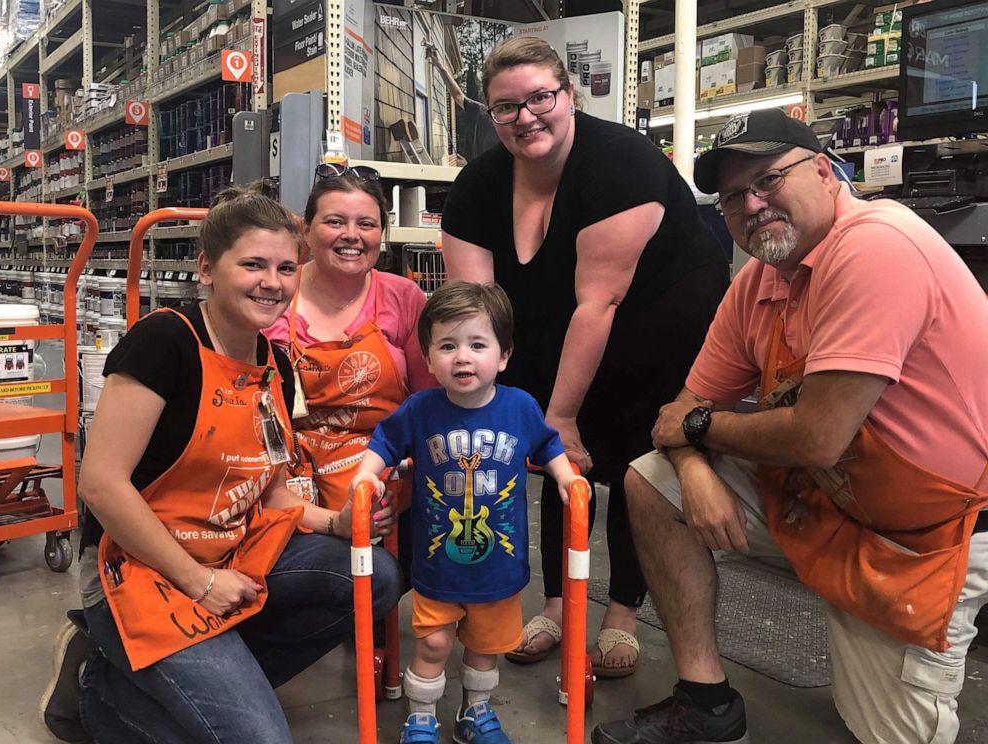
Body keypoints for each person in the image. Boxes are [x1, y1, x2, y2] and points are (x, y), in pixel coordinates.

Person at [592, 108, 988, 744]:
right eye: (731, 197)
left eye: (769, 179)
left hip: (925, 535)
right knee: (654, 480)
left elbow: (815, 436)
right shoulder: (759, 281)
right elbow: (678, 414)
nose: (751, 204)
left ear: (828, 173)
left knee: (888, 735)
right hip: (828, 497)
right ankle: (704, 706)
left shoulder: (875, 246)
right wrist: (693, 464)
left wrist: (699, 428)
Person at [41, 182, 401, 744]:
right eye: (253, 264)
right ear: (208, 269)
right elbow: (102, 485)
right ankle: (96, 690)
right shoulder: (165, 342)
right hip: (140, 568)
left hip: (231, 548)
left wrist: (336, 524)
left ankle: (198, 678)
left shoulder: (275, 361)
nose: (273, 282)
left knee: (372, 577)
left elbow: (274, 488)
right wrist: (200, 581)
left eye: (286, 268)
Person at [441, 36, 729, 677]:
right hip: (555, 315)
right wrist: (502, 409)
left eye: (541, 97)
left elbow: (599, 303)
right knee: (544, 436)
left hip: (660, 314)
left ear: (569, 95)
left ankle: (622, 612)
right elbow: (473, 310)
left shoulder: (621, 161)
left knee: (628, 454)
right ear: (492, 115)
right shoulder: (479, 185)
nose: (526, 116)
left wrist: (564, 417)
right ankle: (556, 602)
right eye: (507, 106)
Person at [350, 281, 580, 744]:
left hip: (499, 567)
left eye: (478, 345)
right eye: (448, 346)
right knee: (434, 643)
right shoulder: (420, 410)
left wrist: (564, 476)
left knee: (485, 648)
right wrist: (367, 475)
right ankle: (420, 717)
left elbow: (548, 442)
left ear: (503, 355)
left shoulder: (519, 407)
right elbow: (386, 441)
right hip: (439, 565)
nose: (462, 357)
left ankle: (475, 713)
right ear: (429, 357)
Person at [263, 163, 436, 522]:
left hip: (388, 488)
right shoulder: (274, 293)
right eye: (335, 222)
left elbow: (428, 406)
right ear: (306, 232)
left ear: (381, 234)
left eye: (366, 224)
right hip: (288, 489)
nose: (351, 235)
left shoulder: (405, 298)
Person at [424, 42, 500, 164]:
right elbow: (458, 95)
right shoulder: (481, 112)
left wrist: (469, 165)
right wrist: (440, 66)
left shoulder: (511, 127)